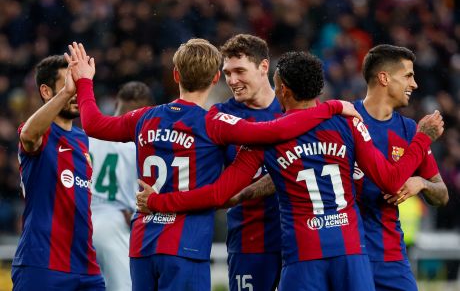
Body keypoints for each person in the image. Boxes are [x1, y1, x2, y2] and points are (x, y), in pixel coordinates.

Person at [138, 51, 444, 291]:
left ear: (282, 89)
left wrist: (160, 202)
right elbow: (390, 179)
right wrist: (422, 139)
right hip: (350, 252)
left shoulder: (268, 135)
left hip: (303, 254)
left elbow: (221, 192)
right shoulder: (349, 121)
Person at [66, 41, 359, 291]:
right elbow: (274, 133)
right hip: (186, 247)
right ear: (216, 77)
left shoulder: (145, 116)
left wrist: (84, 82)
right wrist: (331, 106)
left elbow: (93, 124)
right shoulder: (214, 122)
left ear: (175, 74)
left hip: (143, 243)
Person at [353, 44, 449, 291]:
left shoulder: (409, 130)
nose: (415, 84)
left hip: (391, 258)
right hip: (349, 254)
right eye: (408, 75)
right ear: (384, 78)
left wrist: (421, 183)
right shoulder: (345, 119)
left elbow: (442, 194)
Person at [12, 55, 104, 290]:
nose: (74, 91)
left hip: (86, 266)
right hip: (43, 263)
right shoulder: (38, 132)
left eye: (76, 84)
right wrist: (65, 92)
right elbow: (28, 136)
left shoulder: (84, 139)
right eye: (66, 83)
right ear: (45, 91)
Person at [216, 34, 282, 291]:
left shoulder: (293, 110)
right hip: (248, 243)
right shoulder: (220, 117)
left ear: (264, 66)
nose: (232, 81)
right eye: (227, 73)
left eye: (240, 71)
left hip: (298, 243)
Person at [90, 81, 153, 291]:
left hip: (80, 220)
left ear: (117, 103)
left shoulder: (89, 136)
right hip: (117, 221)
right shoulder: (141, 143)